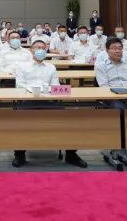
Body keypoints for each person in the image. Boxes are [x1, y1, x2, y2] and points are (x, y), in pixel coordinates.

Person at [12, 40, 87, 168]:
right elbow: (19, 85)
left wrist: (45, 91)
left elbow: (55, 86)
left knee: (69, 119)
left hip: (48, 101)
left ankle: (71, 154)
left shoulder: (51, 67)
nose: (40, 50)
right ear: (31, 50)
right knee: (19, 120)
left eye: (43, 48)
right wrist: (37, 90)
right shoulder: (22, 66)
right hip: (28, 101)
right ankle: (19, 154)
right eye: (37, 47)